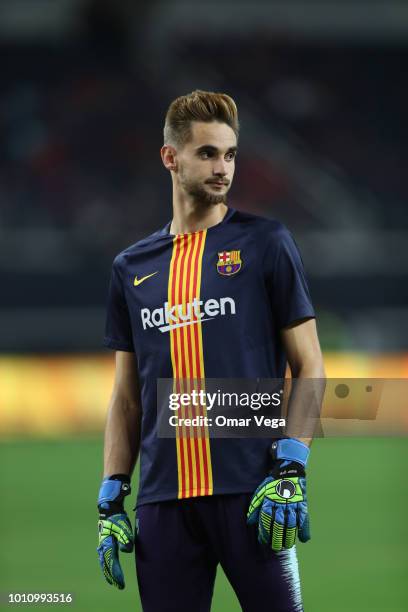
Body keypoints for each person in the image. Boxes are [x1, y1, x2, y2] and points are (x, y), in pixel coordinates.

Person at [96, 90, 325, 611]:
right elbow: (128, 399)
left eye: (230, 154)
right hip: (163, 504)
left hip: (254, 493)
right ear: (170, 157)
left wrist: (292, 467)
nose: (223, 167)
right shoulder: (131, 268)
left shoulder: (266, 243)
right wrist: (111, 493)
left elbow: (309, 363)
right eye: (207, 153)